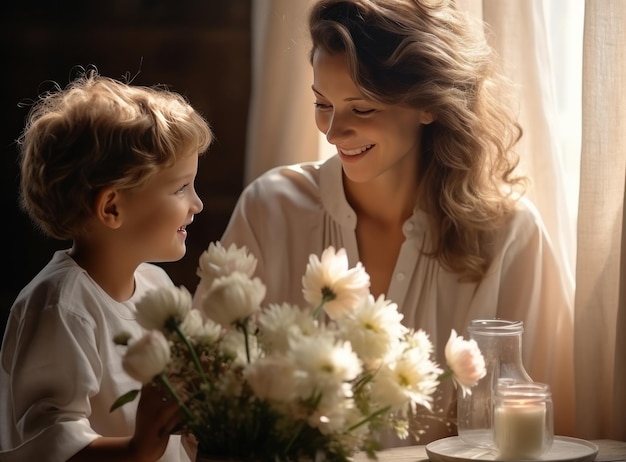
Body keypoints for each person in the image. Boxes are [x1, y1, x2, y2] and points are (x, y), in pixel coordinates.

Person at [218, 0, 575, 446]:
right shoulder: (271, 208)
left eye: (362, 109)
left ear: (427, 106)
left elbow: (542, 425)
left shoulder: (510, 234)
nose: (332, 132)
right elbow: (211, 394)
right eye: (322, 103)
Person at [0, 69, 213, 461]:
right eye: (181, 187)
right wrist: (136, 450)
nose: (196, 204)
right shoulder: (61, 306)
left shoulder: (157, 287)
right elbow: (49, 441)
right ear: (112, 207)